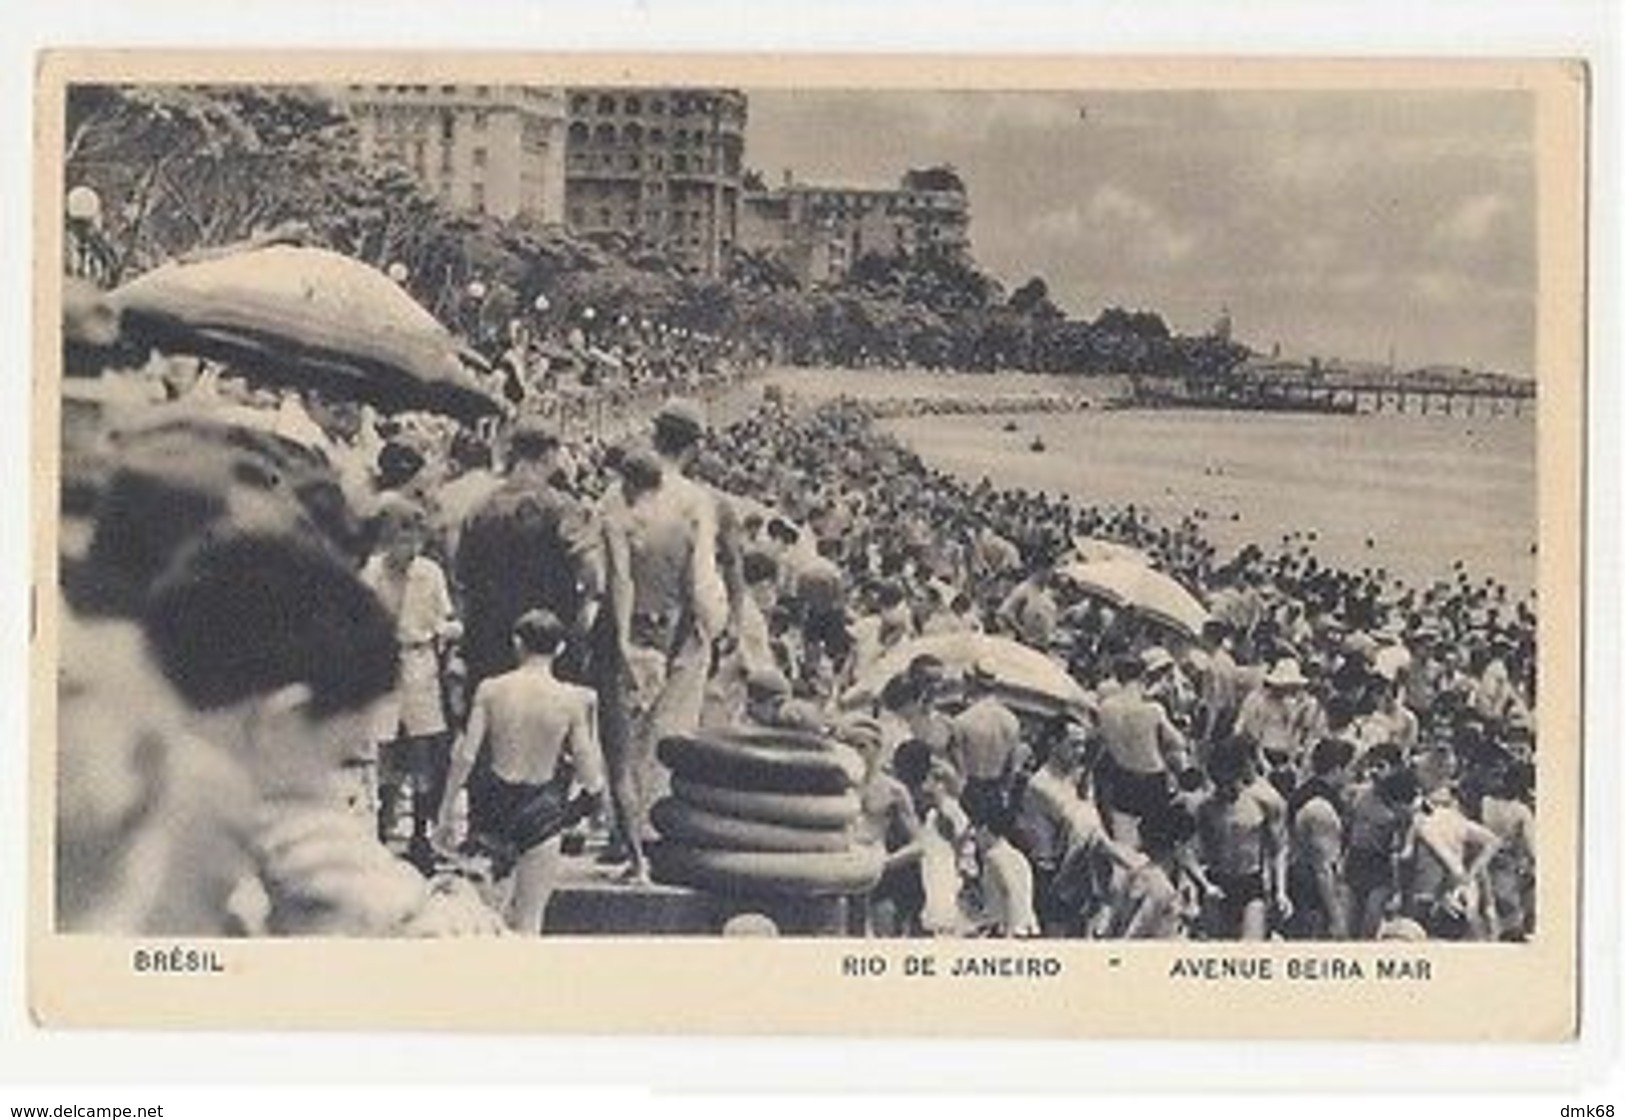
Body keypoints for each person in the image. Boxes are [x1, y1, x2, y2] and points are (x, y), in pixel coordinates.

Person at [435, 610, 605, 934]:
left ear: (517, 643)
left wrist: (445, 811)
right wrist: (595, 802)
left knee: (482, 920)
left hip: (492, 805)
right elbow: (589, 770)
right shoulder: (571, 700)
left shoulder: (491, 689)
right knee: (529, 923)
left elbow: (466, 755)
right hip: (542, 808)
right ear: (560, 649)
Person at [600, 439, 718, 883]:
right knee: (651, 736)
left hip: (629, 632)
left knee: (621, 750)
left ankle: (632, 855)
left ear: (627, 484)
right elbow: (694, 593)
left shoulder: (619, 521)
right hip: (668, 631)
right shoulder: (684, 526)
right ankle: (645, 839)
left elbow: (621, 582)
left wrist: (623, 640)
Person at [360, 495, 462, 872]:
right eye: (399, 539)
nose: (407, 549)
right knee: (384, 747)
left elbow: (447, 616)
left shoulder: (430, 573)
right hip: (385, 662)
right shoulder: (372, 572)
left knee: (422, 748)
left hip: (420, 662)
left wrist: (446, 632)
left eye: (413, 540)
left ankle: (420, 834)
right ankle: (381, 829)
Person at [1194, 737, 1291, 940]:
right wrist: (1201, 884)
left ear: (1241, 775)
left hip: (1250, 884)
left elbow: (1279, 849)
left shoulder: (1265, 801)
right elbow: (1195, 850)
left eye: (1231, 784)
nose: (1226, 791)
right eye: (1219, 784)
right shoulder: (1205, 807)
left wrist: (1280, 891)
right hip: (1217, 881)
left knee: (1250, 948)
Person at [1096, 654, 1188, 844]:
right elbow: (1178, 743)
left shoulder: (1105, 708)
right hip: (1151, 780)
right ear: (1143, 678)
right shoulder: (1152, 710)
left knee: (1126, 840)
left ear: (1118, 678)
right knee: (1155, 841)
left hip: (1122, 777)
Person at [1285, 737, 1356, 939]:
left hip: (1303, 883)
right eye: (1350, 769)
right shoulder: (1320, 808)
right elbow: (1322, 869)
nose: (1352, 775)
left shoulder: (1305, 793)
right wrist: (1337, 917)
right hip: (1310, 893)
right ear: (1337, 769)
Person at [1104, 802, 1195, 940]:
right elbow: (1133, 935)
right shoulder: (1157, 885)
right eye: (1187, 845)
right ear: (1177, 845)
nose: (1190, 851)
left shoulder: (1178, 879)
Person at [948, 668, 1028, 820]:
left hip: (968, 792)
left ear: (972, 683)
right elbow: (1011, 769)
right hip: (994, 794)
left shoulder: (962, 721)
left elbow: (958, 769)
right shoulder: (1011, 721)